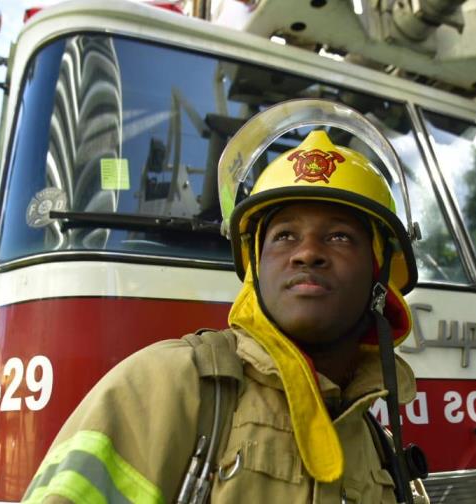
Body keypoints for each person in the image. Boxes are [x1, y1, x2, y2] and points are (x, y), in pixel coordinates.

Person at [22, 128, 419, 503]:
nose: (307, 252)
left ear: (379, 274)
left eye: (339, 237)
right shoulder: (166, 383)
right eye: (284, 236)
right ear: (256, 269)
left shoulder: (374, 442)